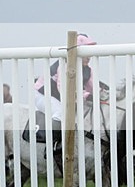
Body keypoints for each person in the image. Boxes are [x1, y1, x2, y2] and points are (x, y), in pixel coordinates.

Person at [34, 33, 98, 162]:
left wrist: (103, 96)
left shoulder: (87, 70)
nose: (89, 57)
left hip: (61, 97)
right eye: (87, 52)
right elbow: (64, 89)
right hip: (42, 94)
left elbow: (94, 88)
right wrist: (86, 95)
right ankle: (51, 145)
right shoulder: (64, 64)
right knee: (60, 113)